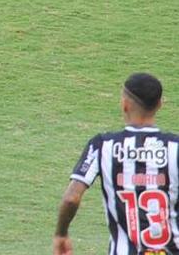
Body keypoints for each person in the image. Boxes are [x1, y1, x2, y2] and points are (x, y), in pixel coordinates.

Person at [53, 73, 179, 255]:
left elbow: (71, 198)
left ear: (125, 104)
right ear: (160, 104)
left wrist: (61, 233)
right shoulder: (175, 148)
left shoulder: (102, 145)